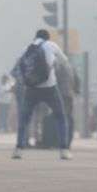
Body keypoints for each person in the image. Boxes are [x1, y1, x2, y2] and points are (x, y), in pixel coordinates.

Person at [13, 29, 70, 160]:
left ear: (36, 37)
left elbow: (18, 66)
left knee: (24, 118)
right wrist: (54, 64)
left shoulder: (28, 47)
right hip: (50, 88)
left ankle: (19, 149)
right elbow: (65, 61)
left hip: (31, 88)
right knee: (60, 117)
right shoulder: (51, 45)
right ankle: (64, 150)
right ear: (47, 38)